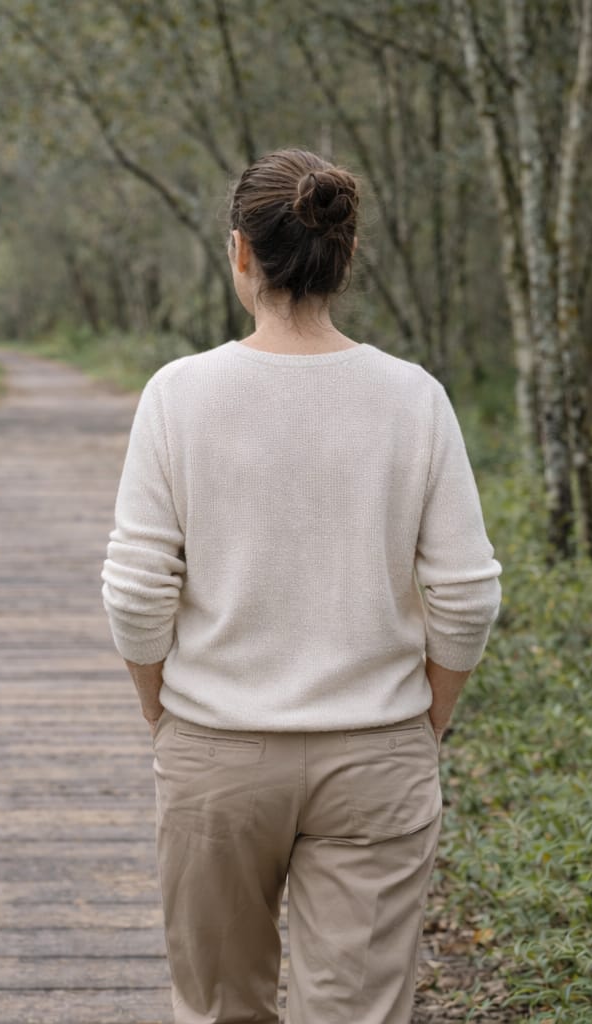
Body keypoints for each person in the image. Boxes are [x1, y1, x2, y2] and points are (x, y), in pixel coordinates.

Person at [101, 149, 502, 1024]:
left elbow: (136, 594)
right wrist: (424, 720)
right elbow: (467, 595)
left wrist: (160, 711)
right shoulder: (415, 398)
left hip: (217, 748)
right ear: (345, 256)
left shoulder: (180, 393)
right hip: (378, 752)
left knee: (219, 1008)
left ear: (241, 253)